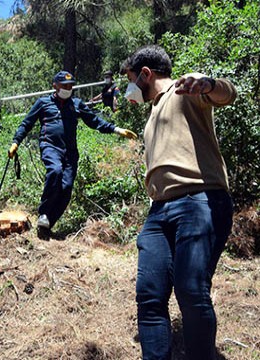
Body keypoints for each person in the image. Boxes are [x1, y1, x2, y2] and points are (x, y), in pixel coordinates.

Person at [120, 45, 237, 360]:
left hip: (199, 200)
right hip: (158, 212)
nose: (129, 88)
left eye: (131, 80)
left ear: (146, 74)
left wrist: (208, 84)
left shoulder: (186, 89)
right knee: (149, 296)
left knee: (190, 290)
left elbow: (227, 94)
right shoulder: (153, 112)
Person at [7, 70, 137, 239]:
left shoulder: (76, 104)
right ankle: (44, 213)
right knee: (55, 171)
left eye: (71, 86)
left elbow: (94, 121)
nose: (68, 88)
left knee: (67, 187)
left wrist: (117, 129)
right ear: (55, 86)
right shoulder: (43, 103)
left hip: (70, 152)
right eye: (64, 86)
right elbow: (27, 123)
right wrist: (16, 142)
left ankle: (47, 225)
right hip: (50, 146)